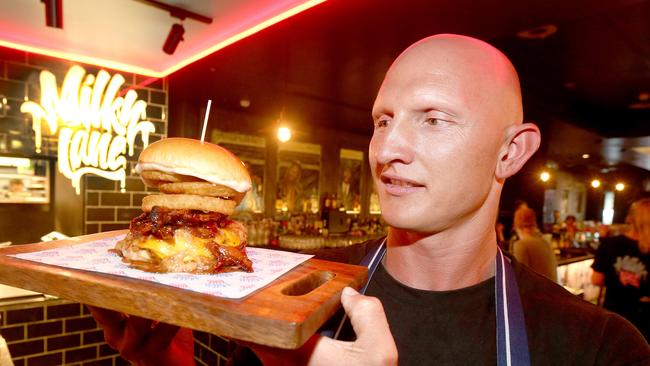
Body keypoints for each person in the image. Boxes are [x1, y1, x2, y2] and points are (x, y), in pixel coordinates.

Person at [89, 34, 650, 365]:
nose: (387, 149)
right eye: (383, 120)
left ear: (510, 152)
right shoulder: (300, 283)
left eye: (433, 119)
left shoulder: (599, 347)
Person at [592, 198, 650, 340]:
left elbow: (596, 279)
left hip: (615, 313)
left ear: (630, 218)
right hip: (645, 318)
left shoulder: (611, 244)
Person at [511, 207, 558, 282]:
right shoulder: (545, 242)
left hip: (536, 293)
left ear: (516, 226)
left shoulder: (521, 245)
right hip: (551, 293)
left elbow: (519, 280)